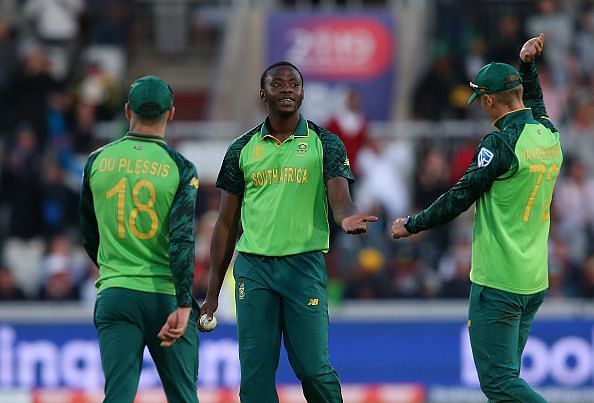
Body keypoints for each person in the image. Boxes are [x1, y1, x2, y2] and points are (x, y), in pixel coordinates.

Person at [392, 34, 561, 403]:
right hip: (533, 280)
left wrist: (412, 223)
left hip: (497, 282)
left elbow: (459, 198)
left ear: (487, 101)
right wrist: (528, 67)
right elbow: (535, 104)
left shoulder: (499, 144)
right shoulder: (548, 135)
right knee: (508, 383)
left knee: (498, 384)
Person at [200, 61, 377, 403]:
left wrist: (346, 218)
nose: (286, 90)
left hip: (303, 267)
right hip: (254, 270)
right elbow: (225, 223)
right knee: (254, 377)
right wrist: (211, 294)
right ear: (262, 93)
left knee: (313, 369)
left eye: (293, 85)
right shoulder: (241, 149)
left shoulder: (325, 142)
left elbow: (341, 199)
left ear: (302, 93)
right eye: (278, 84)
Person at [80, 75, 200, 403]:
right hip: (165, 296)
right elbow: (182, 240)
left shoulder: (97, 161)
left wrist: (115, 270)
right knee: (184, 397)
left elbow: (90, 233)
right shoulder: (181, 168)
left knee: (118, 395)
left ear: (126, 110)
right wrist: (185, 302)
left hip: (116, 293)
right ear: (171, 113)